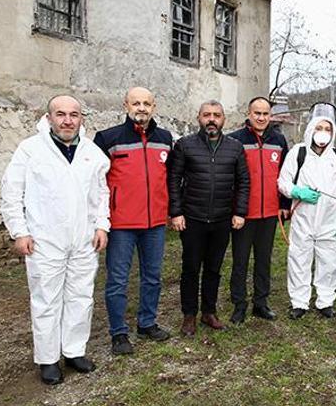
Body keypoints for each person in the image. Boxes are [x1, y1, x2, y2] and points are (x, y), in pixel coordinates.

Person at [0, 95, 110, 385]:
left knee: (81, 296)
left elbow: (101, 194)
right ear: (49, 118)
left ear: (81, 118)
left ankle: (74, 351)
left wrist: (102, 226)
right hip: (44, 239)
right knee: (46, 299)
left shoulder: (92, 153)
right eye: (61, 114)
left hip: (83, 239)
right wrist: (19, 231)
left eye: (74, 115)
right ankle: (48, 359)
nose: (67, 120)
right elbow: (12, 192)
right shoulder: (31, 150)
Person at [94, 87, 173, 356]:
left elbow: (169, 177)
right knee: (117, 280)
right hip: (121, 224)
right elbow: (95, 182)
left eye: (147, 103)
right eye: (136, 103)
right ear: (126, 105)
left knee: (152, 277)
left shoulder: (165, 139)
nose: (142, 108)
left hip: (155, 223)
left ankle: (147, 323)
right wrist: (101, 219)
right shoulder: (108, 138)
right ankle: (118, 332)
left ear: (154, 107)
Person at [168, 101, 250, 336]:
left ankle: (209, 312)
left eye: (216, 115)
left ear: (224, 119)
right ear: (199, 118)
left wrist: (239, 212)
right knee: (191, 268)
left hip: (222, 219)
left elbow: (243, 182)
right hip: (192, 218)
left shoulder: (235, 147)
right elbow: (174, 179)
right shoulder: (185, 145)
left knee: (214, 268)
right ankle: (189, 315)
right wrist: (176, 212)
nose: (211, 119)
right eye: (207, 115)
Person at [278, 103, 336, 319]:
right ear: (311, 128)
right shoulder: (298, 153)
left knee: (329, 260)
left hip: (331, 219)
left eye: (327, 129)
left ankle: (325, 300)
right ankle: (299, 301)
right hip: (303, 218)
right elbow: (283, 182)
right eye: (319, 128)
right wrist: (297, 191)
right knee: (299, 258)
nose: (323, 133)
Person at [227, 96, 290, 323]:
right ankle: (239, 304)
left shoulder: (279, 140)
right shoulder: (235, 140)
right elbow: (229, 177)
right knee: (240, 261)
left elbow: (286, 175)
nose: (261, 118)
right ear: (249, 113)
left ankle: (261, 303)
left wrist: (284, 205)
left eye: (265, 114)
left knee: (263, 260)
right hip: (243, 213)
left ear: (270, 115)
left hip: (270, 212)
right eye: (257, 113)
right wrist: (234, 209)